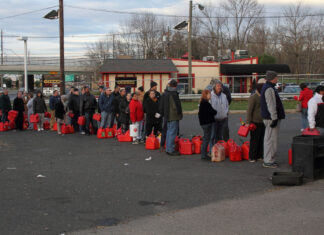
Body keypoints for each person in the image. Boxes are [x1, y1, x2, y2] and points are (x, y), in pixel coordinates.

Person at [260, 71, 285, 168]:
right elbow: (271, 105)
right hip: (270, 118)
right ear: (272, 78)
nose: (277, 79)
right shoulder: (269, 89)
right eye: (276, 77)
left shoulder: (268, 87)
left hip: (269, 117)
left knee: (270, 139)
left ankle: (269, 159)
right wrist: (274, 118)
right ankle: (268, 161)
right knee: (271, 140)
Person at [160, 79, 183, 156]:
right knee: (172, 132)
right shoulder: (174, 94)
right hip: (173, 115)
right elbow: (177, 106)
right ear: (175, 86)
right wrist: (180, 114)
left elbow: (161, 105)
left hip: (167, 115)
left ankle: (168, 148)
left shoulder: (165, 93)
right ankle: (171, 149)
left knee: (169, 132)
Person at [246, 81, 266, 163]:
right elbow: (249, 110)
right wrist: (248, 122)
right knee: (254, 140)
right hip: (254, 122)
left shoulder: (263, 97)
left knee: (261, 139)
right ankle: (252, 157)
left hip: (263, 122)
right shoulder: (253, 97)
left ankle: (260, 155)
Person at [209, 81, 229, 151]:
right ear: (214, 87)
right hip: (213, 119)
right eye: (218, 86)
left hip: (222, 119)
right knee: (212, 136)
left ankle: (219, 151)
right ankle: (212, 151)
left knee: (220, 136)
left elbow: (227, 106)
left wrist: (225, 113)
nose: (219, 87)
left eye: (220, 86)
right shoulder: (210, 96)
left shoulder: (224, 96)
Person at [198, 90, 217, 161]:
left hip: (203, 123)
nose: (210, 96)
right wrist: (215, 111)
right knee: (206, 139)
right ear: (206, 95)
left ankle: (204, 154)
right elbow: (213, 112)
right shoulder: (206, 104)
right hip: (207, 123)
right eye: (209, 94)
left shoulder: (202, 103)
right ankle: (204, 155)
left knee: (206, 138)